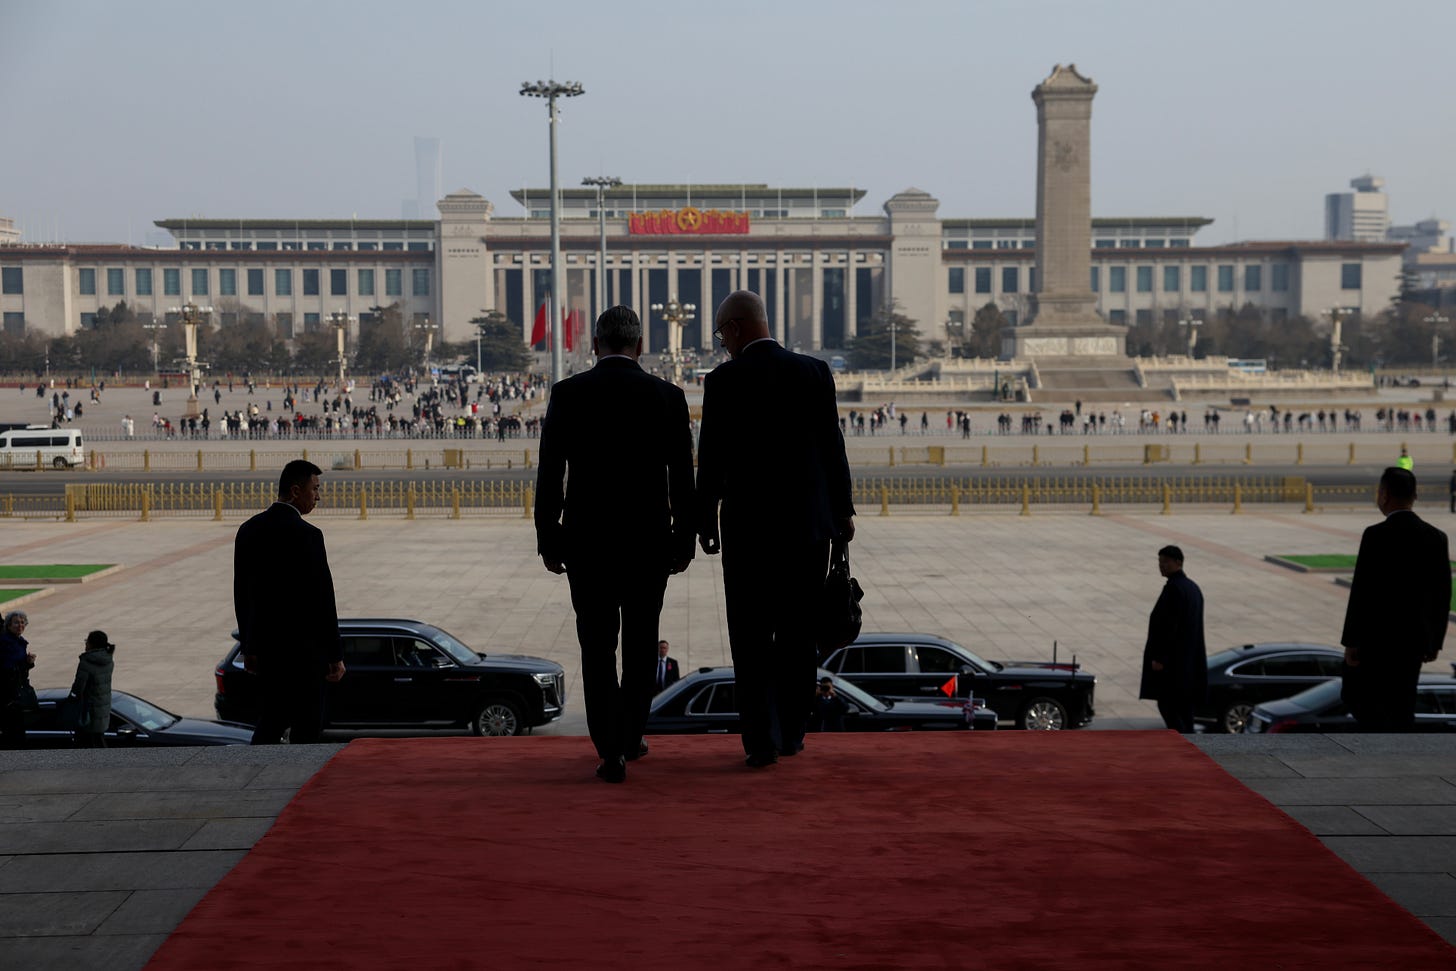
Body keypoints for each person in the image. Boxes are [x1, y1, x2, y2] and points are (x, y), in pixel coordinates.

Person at [535, 306, 696, 784]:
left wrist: (549, 537)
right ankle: (630, 736)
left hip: (588, 542)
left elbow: (551, 474)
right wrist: (684, 538)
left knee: (597, 646)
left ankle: (610, 750)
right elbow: (682, 479)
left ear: (595, 345)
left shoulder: (569, 394)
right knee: (643, 645)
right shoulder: (667, 396)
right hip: (648, 542)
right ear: (640, 346)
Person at [697, 290, 856, 767]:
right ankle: (791, 733)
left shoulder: (724, 381)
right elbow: (832, 448)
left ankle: (760, 743)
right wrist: (843, 512)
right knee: (798, 636)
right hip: (808, 530)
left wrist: (705, 520)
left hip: (748, 532)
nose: (723, 344)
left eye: (722, 334)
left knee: (750, 638)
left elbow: (711, 459)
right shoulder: (813, 372)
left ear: (736, 328)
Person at [233, 460, 346, 744]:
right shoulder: (309, 535)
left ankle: (257, 769)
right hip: (306, 652)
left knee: (271, 719)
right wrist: (335, 655)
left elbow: (242, 596)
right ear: (296, 491)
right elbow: (323, 600)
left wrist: (249, 647)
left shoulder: (248, 530)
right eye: (315, 489)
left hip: (268, 652)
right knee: (307, 725)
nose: (318, 497)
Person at [1340, 467, 1451, 731]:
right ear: (1415, 496)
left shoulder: (1375, 535)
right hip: (1413, 642)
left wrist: (1351, 641)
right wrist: (1434, 641)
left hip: (1376, 640)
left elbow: (1362, 592)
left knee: (1371, 707)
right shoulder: (1436, 537)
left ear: (1385, 495)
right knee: (1403, 704)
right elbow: (1442, 595)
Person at [1138, 545, 1207, 733]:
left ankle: (1183, 743)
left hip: (1173, 665)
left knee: (1169, 706)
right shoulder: (1192, 588)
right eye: (1160, 562)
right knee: (1184, 711)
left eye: (1166, 562)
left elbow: (1169, 627)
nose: (1161, 566)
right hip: (1187, 664)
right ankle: (1189, 742)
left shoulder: (1175, 589)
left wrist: (1160, 658)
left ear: (1178, 562)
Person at [69, 630, 114, 748]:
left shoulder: (87, 662)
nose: (85, 644)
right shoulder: (108, 660)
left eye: (87, 641)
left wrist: (71, 699)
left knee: (87, 744)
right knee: (98, 740)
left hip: (89, 711)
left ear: (92, 644)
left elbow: (78, 688)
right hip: (102, 711)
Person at [0, 611, 37, 749]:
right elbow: (9, 669)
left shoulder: (19, 642)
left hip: (15, 692)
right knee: (14, 734)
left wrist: (28, 663)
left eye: (22, 622)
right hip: (9, 695)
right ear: (8, 625)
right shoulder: (6, 643)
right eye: (16, 622)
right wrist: (27, 663)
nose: (20, 625)